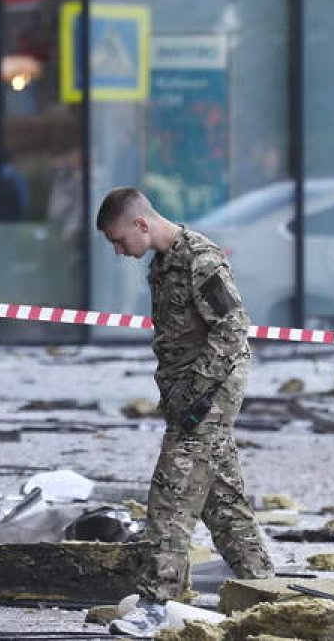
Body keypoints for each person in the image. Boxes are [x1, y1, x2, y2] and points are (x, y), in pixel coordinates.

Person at [95, 186, 274, 635]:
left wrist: (196, 395)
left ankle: (156, 603)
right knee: (220, 495)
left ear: (141, 224)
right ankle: (263, 585)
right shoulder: (161, 263)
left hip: (209, 393)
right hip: (186, 397)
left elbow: (232, 329)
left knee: (171, 493)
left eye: (119, 241)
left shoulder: (200, 259)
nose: (119, 252)